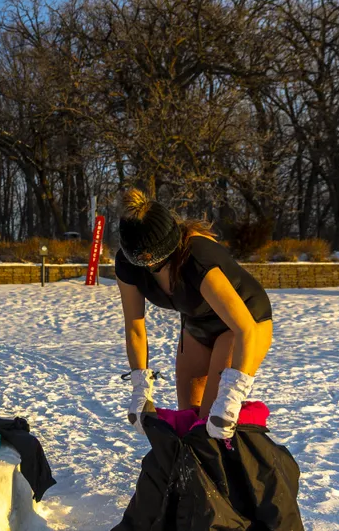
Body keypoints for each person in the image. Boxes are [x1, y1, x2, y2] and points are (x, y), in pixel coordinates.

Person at [114, 188, 272, 440]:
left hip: (242, 323)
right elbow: (135, 326)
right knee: (189, 421)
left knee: (214, 420)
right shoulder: (127, 265)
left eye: (160, 261)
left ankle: (252, 418)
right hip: (197, 323)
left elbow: (244, 328)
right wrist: (140, 388)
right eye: (145, 264)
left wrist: (233, 393)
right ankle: (192, 476)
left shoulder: (196, 258)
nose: (153, 268)